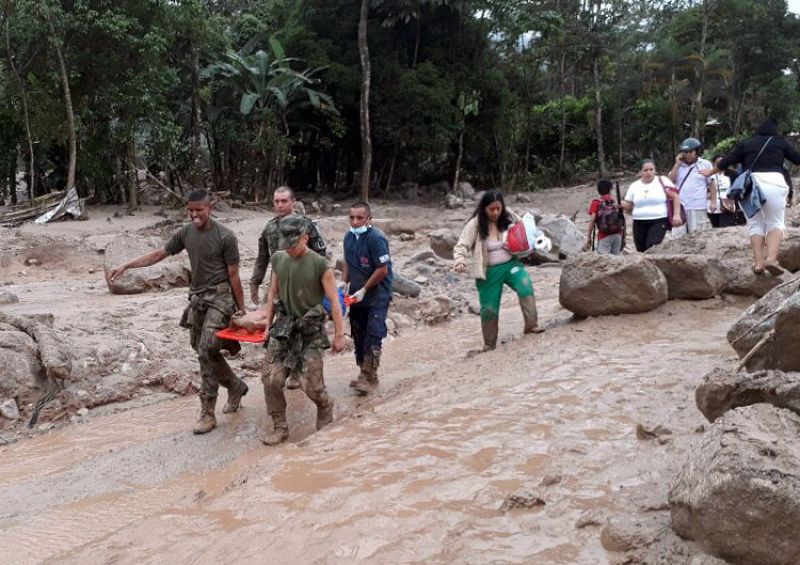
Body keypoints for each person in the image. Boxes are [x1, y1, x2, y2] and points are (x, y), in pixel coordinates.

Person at [107, 190, 249, 435]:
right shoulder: (186, 233)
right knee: (201, 348)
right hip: (197, 298)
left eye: (199, 210)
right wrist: (126, 265)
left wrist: (242, 309)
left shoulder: (226, 236)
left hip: (221, 297)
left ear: (210, 208)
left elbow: (234, 275)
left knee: (206, 350)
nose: (194, 215)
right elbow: (159, 254)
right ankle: (235, 386)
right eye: (190, 210)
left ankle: (207, 413)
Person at [257, 215, 345, 446]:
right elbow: (272, 293)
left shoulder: (320, 264)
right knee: (270, 378)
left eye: (293, 243)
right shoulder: (278, 259)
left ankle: (325, 406)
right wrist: (267, 327)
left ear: (305, 238)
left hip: (310, 331)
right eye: (285, 243)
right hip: (284, 328)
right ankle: (280, 427)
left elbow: (335, 302)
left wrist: (339, 334)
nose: (289, 248)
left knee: (312, 387)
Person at [701, 118, 800, 275]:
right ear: (774, 132)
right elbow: (797, 158)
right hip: (775, 182)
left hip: (751, 185)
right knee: (775, 222)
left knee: (755, 224)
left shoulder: (747, 143)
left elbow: (728, 160)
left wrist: (709, 172)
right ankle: (771, 260)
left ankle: (759, 263)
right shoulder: (780, 142)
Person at [453, 190, 543, 352]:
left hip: (511, 264)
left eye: (498, 208)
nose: (495, 212)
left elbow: (524, 228)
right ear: (484, 209)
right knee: (489, 308)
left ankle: (531, 326)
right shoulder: (475, 224)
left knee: (525, 285)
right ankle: (489, 344)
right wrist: (460, 260)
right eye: (491, 209)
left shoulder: (507, 215)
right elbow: (462, 245)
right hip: (488, 272)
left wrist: (536, 240)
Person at [342, 201, 393, 395]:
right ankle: (366, 372)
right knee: (358, 332)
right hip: (356, 294)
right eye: (352, 217)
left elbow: (382, 269)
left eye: (359, 218)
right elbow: (347, 260)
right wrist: (343, 282)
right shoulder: (349, 237)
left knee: (374, 331)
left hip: (378, 293)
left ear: (368, 219)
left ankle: (368, 374)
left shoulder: (376, 239)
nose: (355, 222)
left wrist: (364, 289)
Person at [249, 186, 327, 305]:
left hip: (303, 285)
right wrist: (255, 282)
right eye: (277, 201)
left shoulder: (306, 225)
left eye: (284, 201)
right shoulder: (270, 227)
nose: (280, 205)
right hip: (276, 284)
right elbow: (262, 257)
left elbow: (322, 255)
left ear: (293, 202)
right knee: (266, 317)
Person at [622, 160, 683, 252]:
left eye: (651, 169)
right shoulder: (634, 186)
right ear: (640, 172)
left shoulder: (662, 181)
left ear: (655, 170)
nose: (649, 172)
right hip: (639, 221)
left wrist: (677, 215)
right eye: (645, 170)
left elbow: (675, 197)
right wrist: (623, 205)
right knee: (641, 250)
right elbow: (629, 204)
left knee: (652, 247)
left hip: (658, 220)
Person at [668, 137, 717, 236]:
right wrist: (677, 164)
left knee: (697, 235)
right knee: (678, 236)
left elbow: (711, 184)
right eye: (685, 152)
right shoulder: (678, 166)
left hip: (698, 205)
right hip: (680, 206)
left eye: (691, 151)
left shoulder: (705, 164)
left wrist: (713, 202)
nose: (688, 154)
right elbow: (671, 180)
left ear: (696, 151)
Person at [585, 179, 623, 254]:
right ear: (610, 190)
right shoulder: (614, 202)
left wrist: (589, 237)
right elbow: (621, 219)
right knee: (616, 261)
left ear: (598, 191)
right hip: (618, 235)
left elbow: (592, 220)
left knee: (602, 261)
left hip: (604, 236)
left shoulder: (596, 203)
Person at [707, 155, 737, 228]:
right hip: (713, 205)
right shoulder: (709, 174)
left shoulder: (732, 174)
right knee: (716, 227)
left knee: (726, 227)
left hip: (728, 204)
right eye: (717, 162)